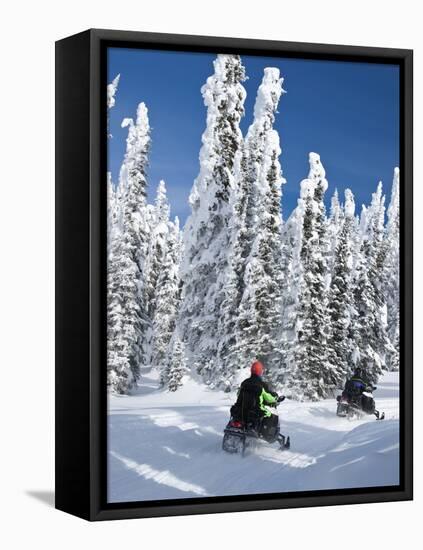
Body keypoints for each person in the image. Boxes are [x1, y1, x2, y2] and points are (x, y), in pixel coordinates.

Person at [230, 360, 284, 440]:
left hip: (241, 410)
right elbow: (269, 398)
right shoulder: (261, 385)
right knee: (270, 415)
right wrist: (276, 398)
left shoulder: (244, 383)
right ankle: (266, 436)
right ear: (260, 372)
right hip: (256, 411)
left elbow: (238, 394)